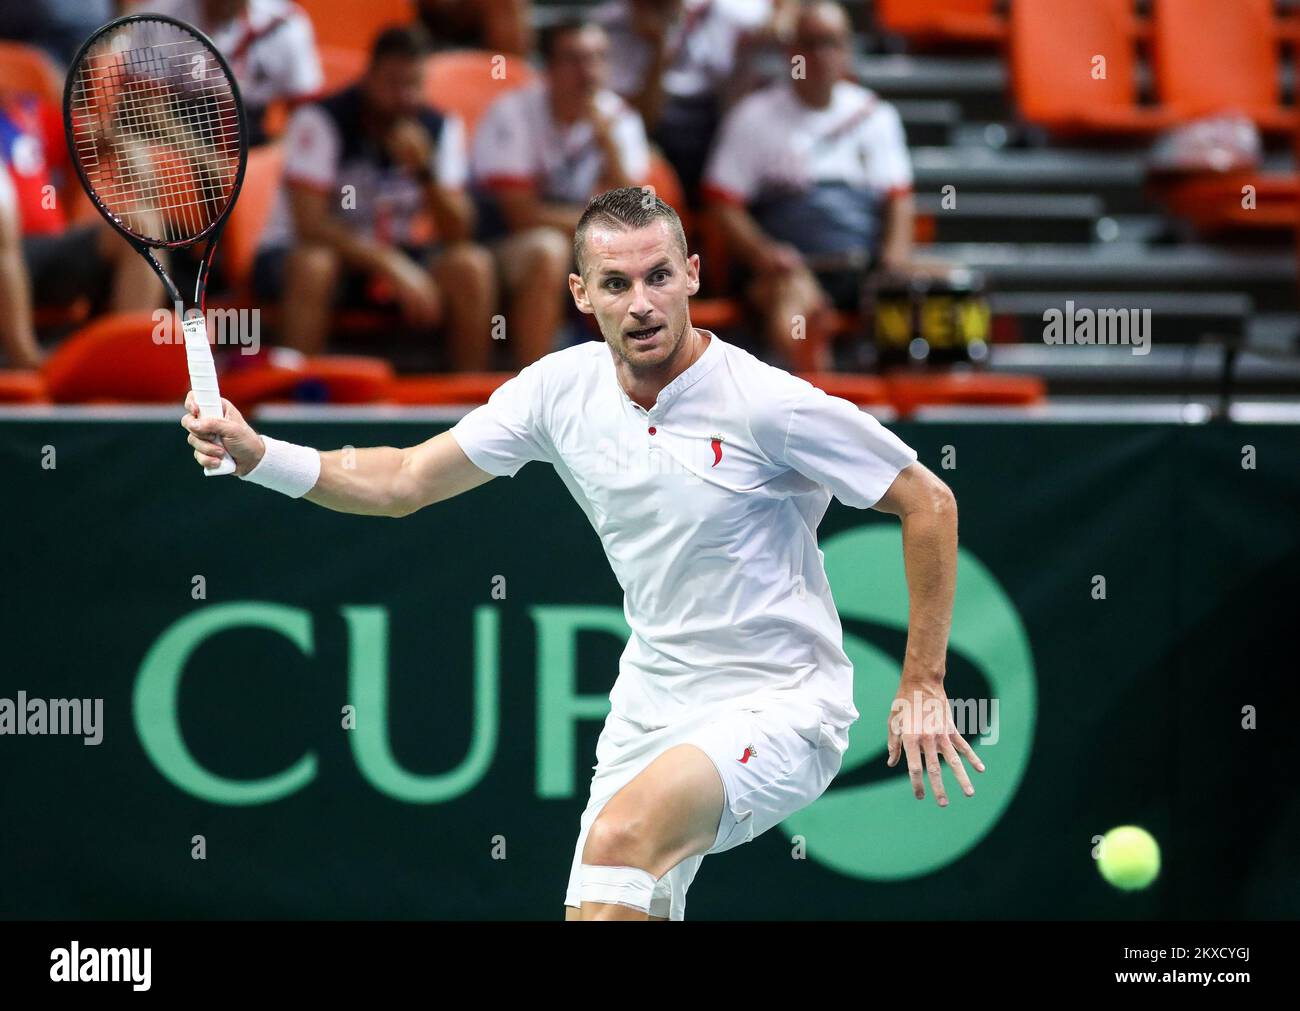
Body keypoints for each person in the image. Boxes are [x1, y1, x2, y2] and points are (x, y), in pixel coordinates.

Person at [180, 186, 982, 921]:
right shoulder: (556, 391)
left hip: (783, 702)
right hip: (652, 701)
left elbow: (928, 501)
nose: (642, 303)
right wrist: (259, 456)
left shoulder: (770, 405)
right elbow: (403, 479)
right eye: (616, 284)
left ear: (693, 275)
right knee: (610, 907)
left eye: (659, 276)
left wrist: (921, 681)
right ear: (580, 294)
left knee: (619, 840)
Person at [253, 25, 494, 368]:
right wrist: (390, 264)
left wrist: (426, 174)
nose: (404, 97)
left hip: (393, 251)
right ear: (369, 77)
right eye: (393, 83)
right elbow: (311, 224)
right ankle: (296, 394)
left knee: (471, 264)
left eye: (413, 85)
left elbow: (459, 231)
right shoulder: (322, 119)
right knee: (315, 263)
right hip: (303, 253)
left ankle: (475, 404)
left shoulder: (439, 127)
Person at [702, 1, 915, 370]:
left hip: (862, 270)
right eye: (809, 43)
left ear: (847, 50)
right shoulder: (753, 116)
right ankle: (815, 382)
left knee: (946, 286)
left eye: (830, 43)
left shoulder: (876, 115)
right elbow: (723, 204)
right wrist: (764, 252)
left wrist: (894, 261)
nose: (820, 55)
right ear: (790, 51)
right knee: (797, 305)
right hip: (789, 271)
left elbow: (899, 200)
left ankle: (926, 410)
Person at [470, 18, 649, 367]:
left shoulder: (618, 118)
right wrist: (605, 228)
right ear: (548, 68)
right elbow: (519, 214)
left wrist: (607, 145)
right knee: (546, 249)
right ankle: (535, 393)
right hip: (499, 243)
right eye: (575, 59)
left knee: (645, 257)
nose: (589, 72)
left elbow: (639, 214)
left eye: (597, 58)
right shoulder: (514, 113)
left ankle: (637, 387)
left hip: (583, 242)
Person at [0, 92, 162, 369]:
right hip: (6, 251)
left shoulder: (28, 112)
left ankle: (125, 363)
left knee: (139, 227)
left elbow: (97, 135)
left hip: (50, 249)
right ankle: (28, 363)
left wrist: (128, 151)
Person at [594, 0, 798, 203]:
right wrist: (659, 46)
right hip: (657, 126)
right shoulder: (612, 24)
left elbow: (785, 15)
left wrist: (780, 20)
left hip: (717, 112)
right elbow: (641, 118)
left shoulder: (723, 9)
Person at [128, 0, 324, 146]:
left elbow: (306, 114)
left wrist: (274, 157)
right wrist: (204, 160)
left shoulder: (288, 24)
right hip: (174, 138)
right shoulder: (155, 18)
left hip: (251, 135)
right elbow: (147, 108)